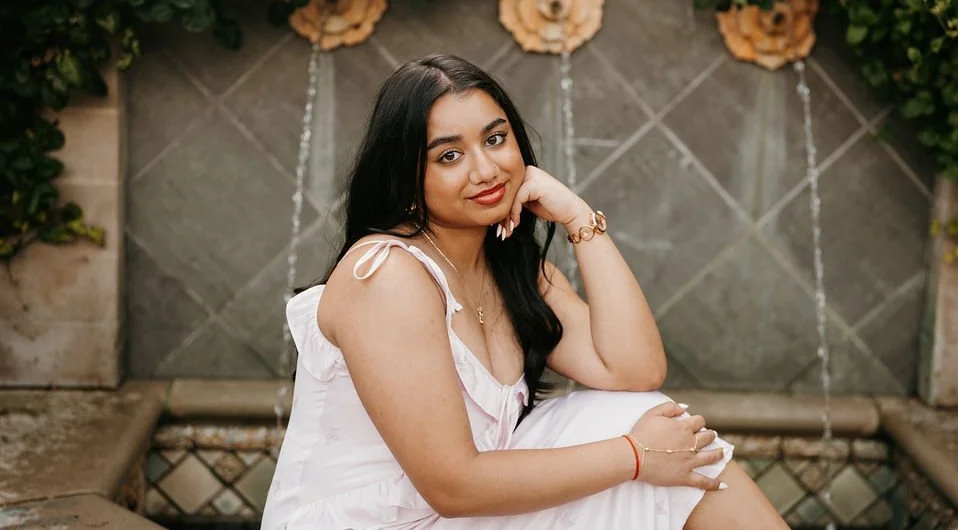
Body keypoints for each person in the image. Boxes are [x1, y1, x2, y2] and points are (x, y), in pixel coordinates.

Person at [262, 54, 790, 530]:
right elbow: (452, 485)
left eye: (495, 139)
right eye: (449, 156)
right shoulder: (388, 275)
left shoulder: (508, 268)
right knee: (641, 440)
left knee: (646, 419)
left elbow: (634, 372)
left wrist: (578, 216)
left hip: (457, 518)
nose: (487, 169)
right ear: (406, 176)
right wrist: (635, 455)